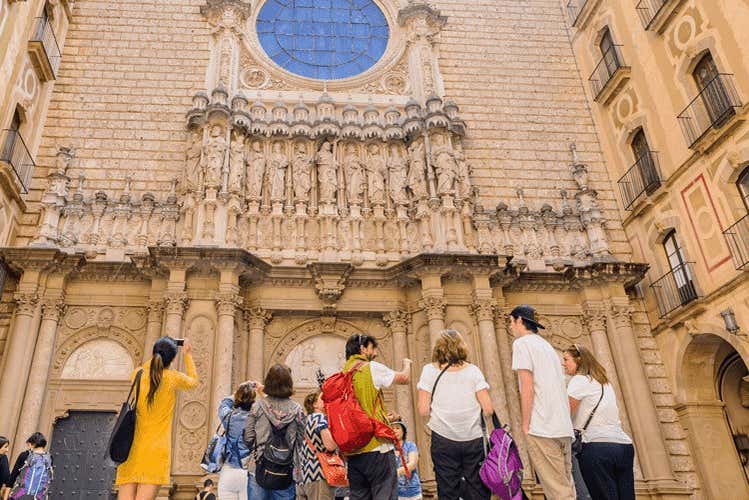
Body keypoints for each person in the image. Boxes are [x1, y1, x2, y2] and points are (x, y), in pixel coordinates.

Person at [115, 337, 199, 500]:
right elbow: (193, 381)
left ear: (154, 354)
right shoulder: (173, 379)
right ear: (172, 359)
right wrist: (187, 354)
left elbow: (146, 368)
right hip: (156, 451)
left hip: (131, 448)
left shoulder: (138, 374)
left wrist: (158, 352)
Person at [416, 329, 492, 500]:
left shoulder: (429, 370)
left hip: (443, 438)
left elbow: (423, 409)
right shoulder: (473, 371)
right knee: (478, 488)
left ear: (438, 348)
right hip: (473, 438)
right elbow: (488, 408)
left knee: (447, 488)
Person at [510, 305, 576, 499]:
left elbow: (527, 385)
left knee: (558, 491)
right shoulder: (547, 347)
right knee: (566, 487)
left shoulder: (522, 344)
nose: (511, 327)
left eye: (511, 322)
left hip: (543, 426)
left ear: (520, 321)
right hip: (562, 427)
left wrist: (525, 424)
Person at [343, 333, 411, 500]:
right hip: (376, 446)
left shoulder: (344, 372)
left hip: (353, 450)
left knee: (359, 496)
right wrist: (407, 364)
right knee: (384, 493)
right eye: (373, 348)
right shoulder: (370, 367)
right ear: (362, 349)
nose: (376, 353)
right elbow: (404, 378)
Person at [563, 345, 635, 500]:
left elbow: (565, 413)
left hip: (597, 447)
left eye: (566, 359)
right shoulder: (605, 383)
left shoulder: (579, 380)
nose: (563, 363)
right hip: (624, 446)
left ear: (579, 360)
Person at [244, 364, 304, 500]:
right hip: (285, 470)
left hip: (258, 468)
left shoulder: (257, 407)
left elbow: (247, 438)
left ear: (268, 382)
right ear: (289, 383)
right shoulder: (297, 410)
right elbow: (301, 441)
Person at [217, 381, 258, 500]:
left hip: (228, 472)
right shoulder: (257, 420)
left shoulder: (228, 416)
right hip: (248, 473)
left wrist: (240, 389)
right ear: (253, 401)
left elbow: (224, 403)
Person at [297, 391, 338, 500]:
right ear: (315, 404)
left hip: (305, 473)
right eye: (322, 398)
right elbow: (330, 446)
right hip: (320, 473)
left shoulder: (306, 420)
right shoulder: (320, 418)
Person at [9, 432, 52, 500]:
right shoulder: (49, 458)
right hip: (39, 497)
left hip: (19, 496)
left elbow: (12, 477)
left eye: (28, 444)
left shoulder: (24, 455)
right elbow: (49, 478)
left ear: (33, 444)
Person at [391, 421, 421, 500]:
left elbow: (412, 464)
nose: (395, 430)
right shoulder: (388, 448)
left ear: (403, 431)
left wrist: (396, 472)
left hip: (412, 491)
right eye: (392, 428)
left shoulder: (410, 445)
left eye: (397, 428)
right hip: (394, 492)